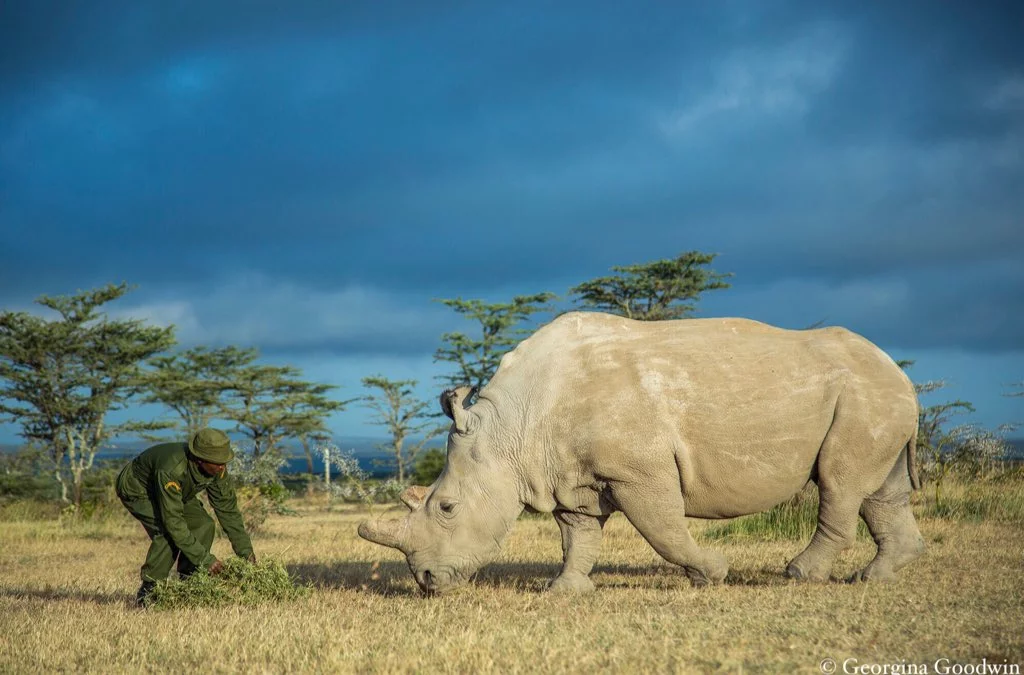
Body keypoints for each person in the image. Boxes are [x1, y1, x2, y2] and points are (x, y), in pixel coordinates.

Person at [116, 427, 256, 606]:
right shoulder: (171, 469)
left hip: (177, 491)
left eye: (224, 461)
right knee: (168, 533)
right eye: (218, 463)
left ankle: (189, 583)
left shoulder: (217, 468)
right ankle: (149, 591)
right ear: (200, 459)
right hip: (138, 489)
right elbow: (173, 522)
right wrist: (205, 560)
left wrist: (246, 553)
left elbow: (228, 509)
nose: (223, 467)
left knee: (204, 524)